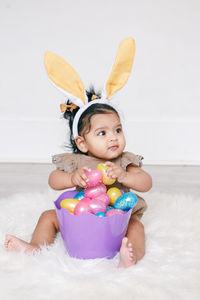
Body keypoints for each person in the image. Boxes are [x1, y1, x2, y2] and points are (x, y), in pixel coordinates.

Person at [5, 38, 152, 268]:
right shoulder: (78, 161)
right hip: (82, 218)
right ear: (82, 143)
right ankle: (35, 246)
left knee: (136, 226)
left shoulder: (123, 160)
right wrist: (72, 178)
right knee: (48, 216)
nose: (113, 137)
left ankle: (130, 258)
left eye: (117, 129)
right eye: (102, 133)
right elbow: (54, 180)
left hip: (115, 218)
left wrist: (124, 176)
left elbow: (146, 183)